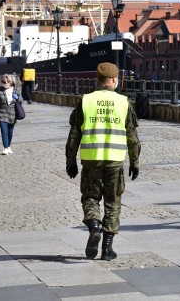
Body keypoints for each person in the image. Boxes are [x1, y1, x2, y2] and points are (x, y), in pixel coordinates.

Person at [65, 62, 141, 260]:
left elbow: (74, 134)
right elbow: (132, 137)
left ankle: (94, 225)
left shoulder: (86, 101)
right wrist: (135, 162)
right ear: (115, 80)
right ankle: (107, 249)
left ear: (97, 80)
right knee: (113, 202)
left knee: (90, 197)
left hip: (91, 159)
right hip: (115, 160)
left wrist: (70, 161)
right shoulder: (123, 102)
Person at [0, 74, 20, 155]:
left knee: (10, 132)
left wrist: (18, 98)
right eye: (3, 81)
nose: (5, 83)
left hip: (12, 114)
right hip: (1, 113)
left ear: (11, 82)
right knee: (4, 131)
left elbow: (21, 101)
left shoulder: (16, 89)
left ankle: (8, 146)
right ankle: (5, 148)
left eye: (7, 81)